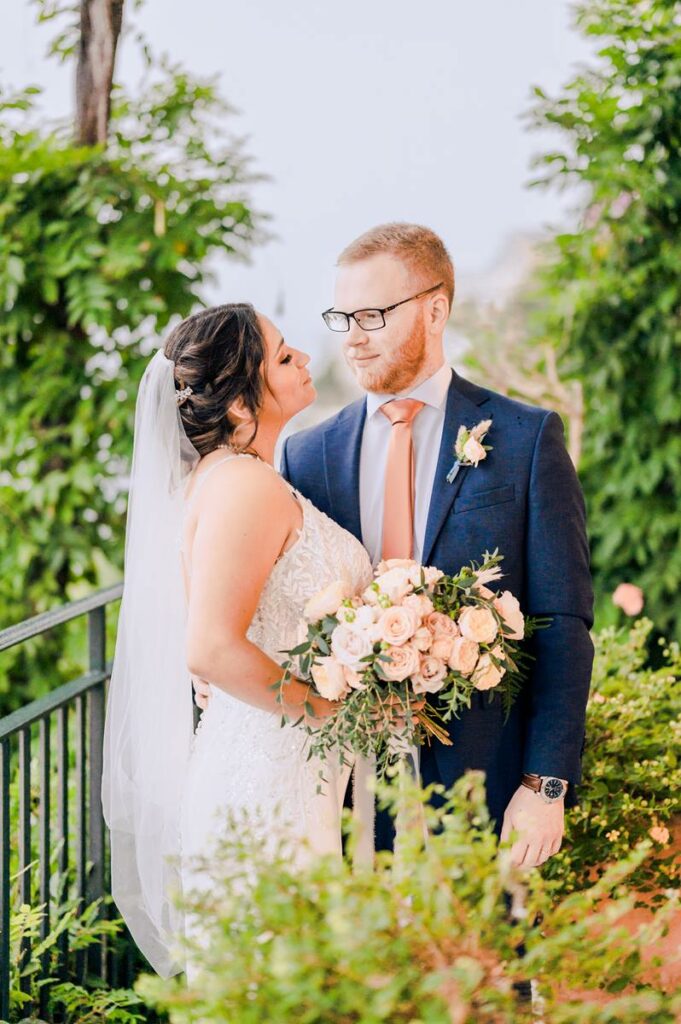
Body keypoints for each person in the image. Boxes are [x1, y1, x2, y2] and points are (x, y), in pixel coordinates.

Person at [198, 223, 594, 868]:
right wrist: (206, 663)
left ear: (435, 309)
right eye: (341, 316)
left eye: (373, 315)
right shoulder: (308, 452)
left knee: (490, 965)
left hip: (484, 779)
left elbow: (563, 622)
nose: (352, 335)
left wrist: (544, 785)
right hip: (342, 785)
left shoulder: (526, 439)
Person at [102, 303, 373, 978]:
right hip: (266, 783)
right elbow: (212, 649)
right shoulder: (243, 487)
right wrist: (336, 713)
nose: (306, 358)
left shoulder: (237, 480)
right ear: (237, 404)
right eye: (283, 357)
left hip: (280, 772)